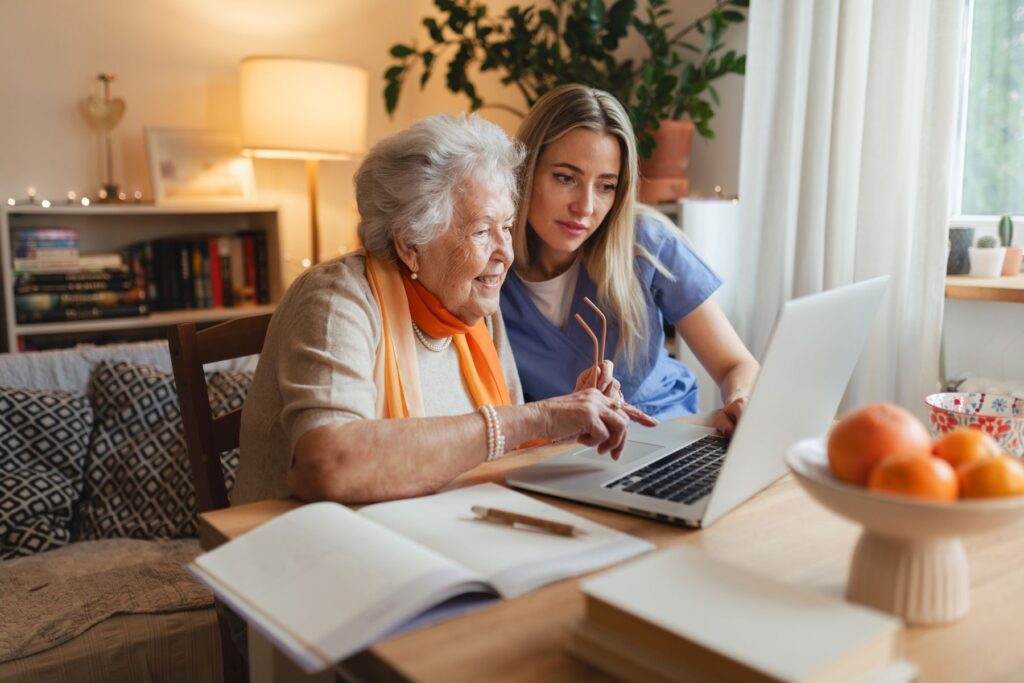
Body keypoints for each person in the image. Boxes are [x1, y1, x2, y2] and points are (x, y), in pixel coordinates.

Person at [232, 113, 655, 507]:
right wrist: (536, 417)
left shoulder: (476, 309)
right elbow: (328, 467)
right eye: (481, 231)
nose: (505, 253)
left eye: (506, 227)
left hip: (437, 527)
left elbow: (500, 452)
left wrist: (568, 425)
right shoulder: (336, 300)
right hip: (299, 556)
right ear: (409, 244)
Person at [500, 84, 759, 434]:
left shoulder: (646, 242)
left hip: (672, 429)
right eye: (565, 178)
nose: (586, 207)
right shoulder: (490, 270)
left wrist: (739, 401)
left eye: (606, 186)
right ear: (525, 170)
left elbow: (736, 364)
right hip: (566, 448)